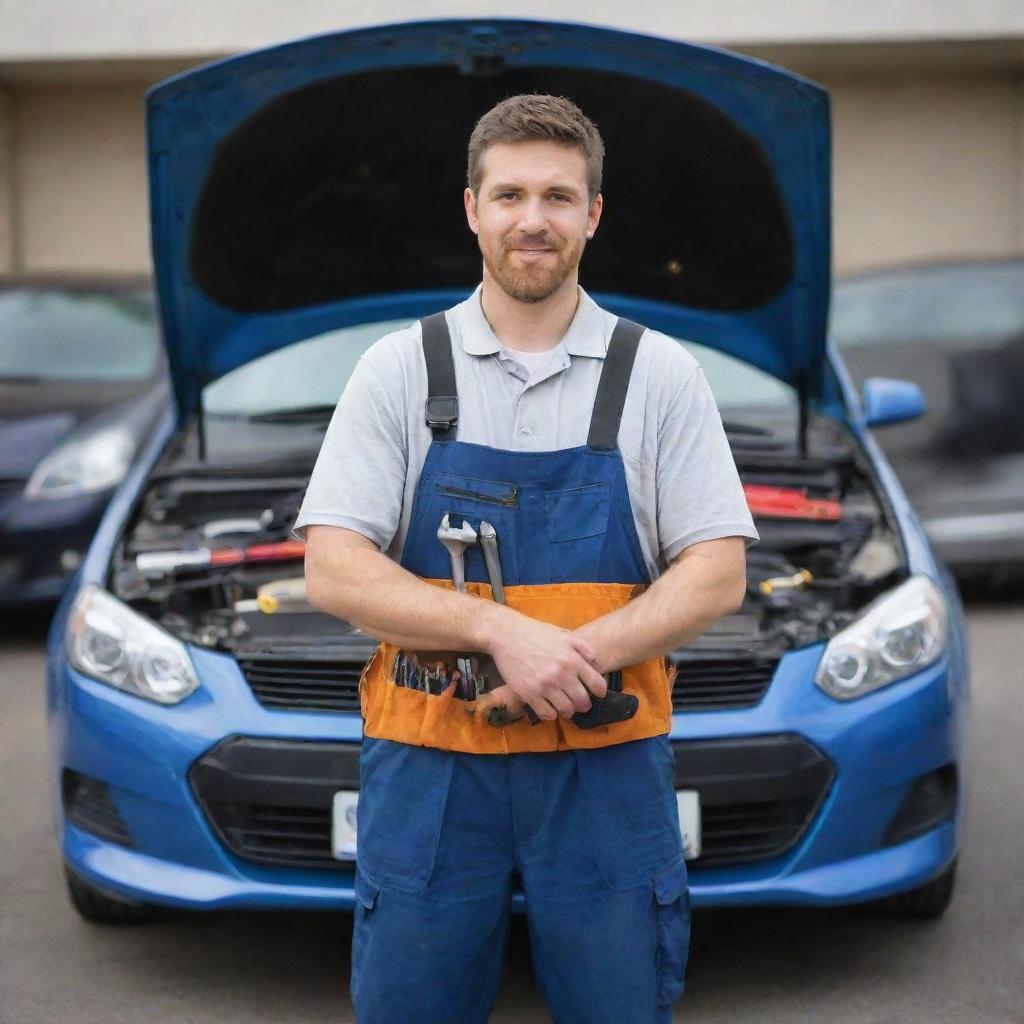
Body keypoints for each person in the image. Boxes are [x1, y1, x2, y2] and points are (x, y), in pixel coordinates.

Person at [296, 93, 758, 1024]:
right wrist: (499, 629)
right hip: (431, 768)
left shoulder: (659, 374)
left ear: (593, 213)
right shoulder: (400, 369)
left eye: (558, 196)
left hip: (606, 770)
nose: (533, 220)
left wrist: (567, 661)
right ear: (473, 209)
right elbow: (334, 568)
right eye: (509, 195)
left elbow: (716, 570)